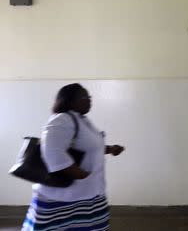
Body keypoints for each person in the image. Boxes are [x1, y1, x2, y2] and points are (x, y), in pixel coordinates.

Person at [22, 83, 124, 231]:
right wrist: (78, 173)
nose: (89, 99)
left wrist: (110, 149)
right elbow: (51, 151)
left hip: (89, 195)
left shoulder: (82, 120)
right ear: (69, 100)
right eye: (84, 96)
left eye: (89, 96)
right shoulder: (62, 119)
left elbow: (87, 147)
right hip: (62, 197)